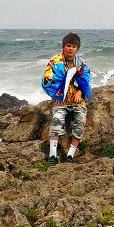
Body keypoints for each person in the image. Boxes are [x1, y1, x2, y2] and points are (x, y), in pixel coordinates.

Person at [41, 32, 92, 165]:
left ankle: (70, 155)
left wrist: (80, 92)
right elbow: (48, 80)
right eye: (68, 45)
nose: (70, 48)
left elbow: (86, 80)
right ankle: (52, 156)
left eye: (74, 46)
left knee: (80, 122)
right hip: (61, 100)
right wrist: (57, 95)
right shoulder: (55, 62)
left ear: (77, 48)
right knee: (56, 120)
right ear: (63, 47)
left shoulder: (81, 63)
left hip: (77, 101)